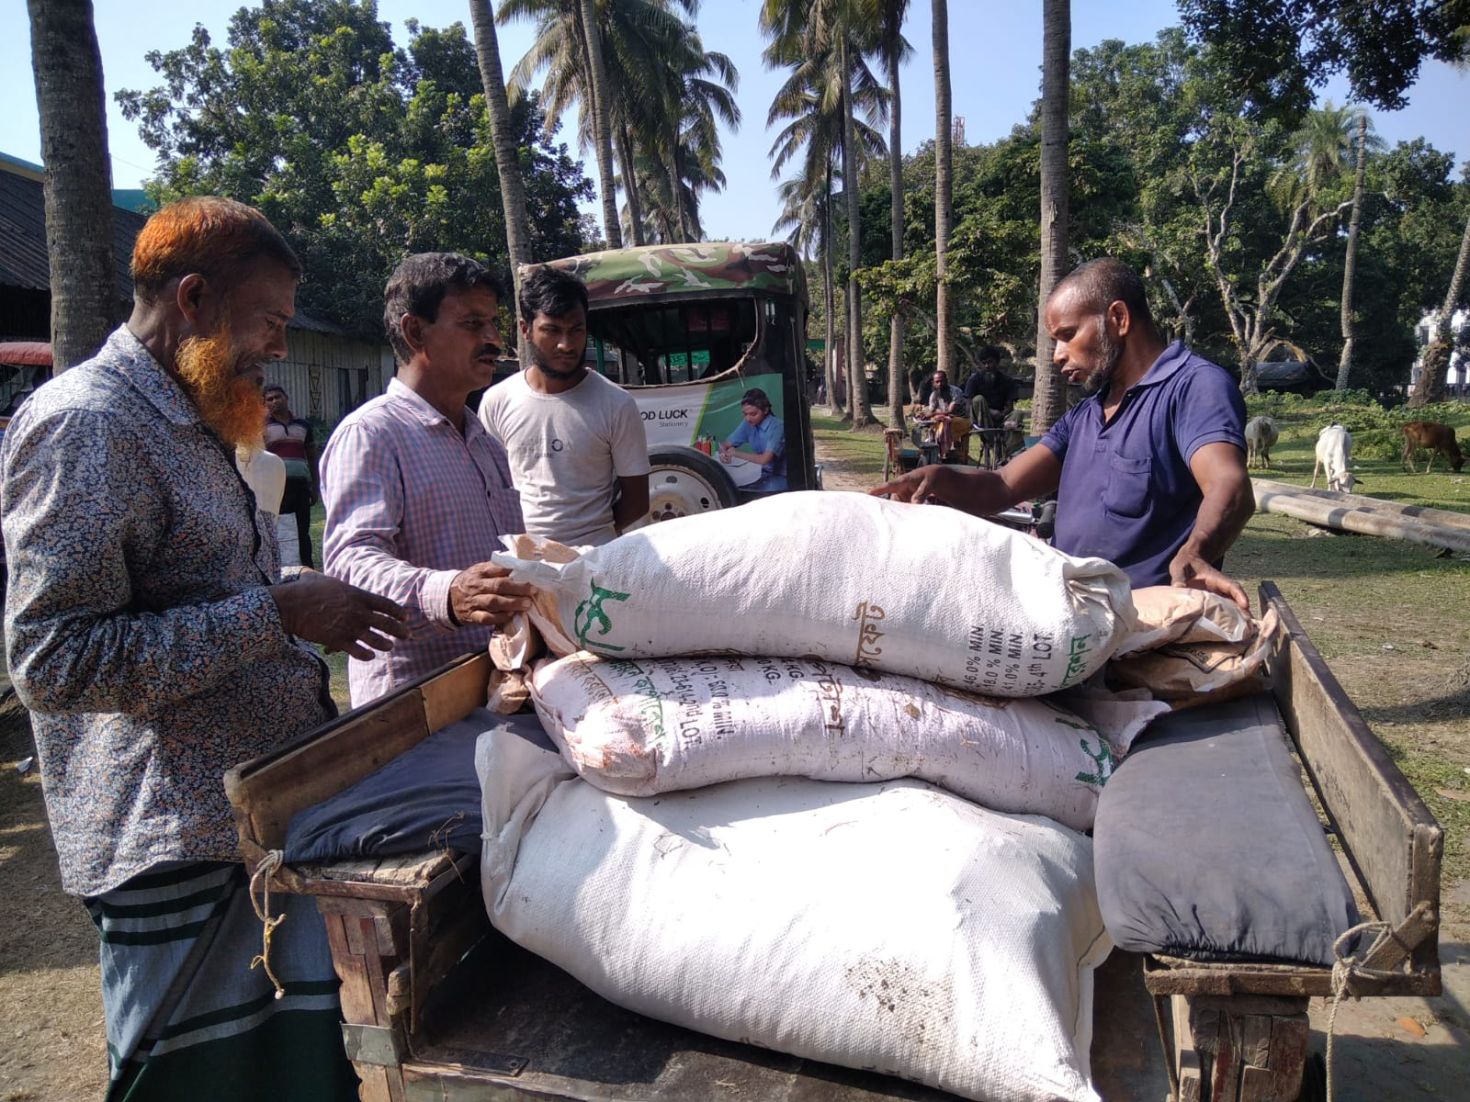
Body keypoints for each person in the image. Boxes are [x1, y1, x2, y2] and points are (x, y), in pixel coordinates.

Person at [0, 196, 409, 1101]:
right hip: (171, 849)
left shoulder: (195, 415)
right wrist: (277, 615)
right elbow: (52, 660)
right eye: (268, 322)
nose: (276, 346)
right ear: (194, 298)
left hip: (253, 824)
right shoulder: (87, 426)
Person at [874, 258, 1253, 610]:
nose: (1057, 354)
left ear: (1118, 318)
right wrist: (936, 478)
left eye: (1067, 335)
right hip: (1068, 613)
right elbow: (1003, 485)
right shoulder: (1087, 414)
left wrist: (1198, 551)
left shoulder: (1193, 387)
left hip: (1140, 623)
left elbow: (1229, 484)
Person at [321, 252, 533, 707]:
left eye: (493, 324)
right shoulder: (372, 435)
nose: (494, 339)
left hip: (494, 691)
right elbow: (350, 564)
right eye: (473, 324)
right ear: (415, 331)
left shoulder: (484, 442)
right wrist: (447, 594)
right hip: (413, 709)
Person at [478, 265, 649, 545]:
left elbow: (637, 501)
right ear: (526, 330)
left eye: (576, 330)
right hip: (523, 565)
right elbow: (489, 491)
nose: (566, 345)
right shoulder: (497, 402)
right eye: (552, 330)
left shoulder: (616, 404)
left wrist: (591, 541)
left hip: (596, 566)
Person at [263, 383, 318, 567]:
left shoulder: (303, 426)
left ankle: (308, 568)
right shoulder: (261, 427)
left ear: (286, 398)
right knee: (274, 531)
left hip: (300, 486)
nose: (274, 401)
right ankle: (276, 568)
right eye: (269, 399)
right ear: (265, 405)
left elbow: (311, 457)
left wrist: (315, 487)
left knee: (303, 530)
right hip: (275, 487)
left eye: (278, 397)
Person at [720, 387, 788, 492]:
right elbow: (725, 444)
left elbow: (765, 459)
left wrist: (735, 453)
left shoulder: (777, 426)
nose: (748, 418)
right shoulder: (748, 422)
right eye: (745, 414)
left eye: (753, 414)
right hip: (759, 474)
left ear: (765, 410)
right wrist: (724, 453)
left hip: (780, 476)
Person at [912, 369, 970, 457]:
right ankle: (933, 449)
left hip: (962, 420)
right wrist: (923, 415)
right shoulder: (934, 395)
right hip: (944, 421)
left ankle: (944, 450)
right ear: (933, 383)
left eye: (942, 381)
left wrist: (933, 414)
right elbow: (931, 411)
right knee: (937, 422)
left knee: (946, 422)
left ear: (946, 381)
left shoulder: (955, 391)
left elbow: (950, 411)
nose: (940, 384)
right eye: (937, 382)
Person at [963, 346, 1019, 426]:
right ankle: (988, 432)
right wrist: (989, 412)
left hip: (1001, 418)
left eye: (990, 362)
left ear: (997, 362)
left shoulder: (1008, 381)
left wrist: (1001, 414)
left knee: (1018, 413)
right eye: (984, 363)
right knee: (978, 399)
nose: (987, 366)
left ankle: (1007, 435)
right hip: (980, 420)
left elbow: (1010, 406)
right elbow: (968, 406)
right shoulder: (974, 380)